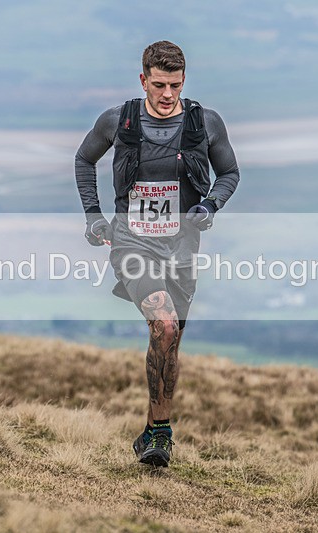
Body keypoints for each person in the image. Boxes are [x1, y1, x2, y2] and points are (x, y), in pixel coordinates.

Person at [74, 40, 240, 467]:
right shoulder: (118, 121)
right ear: (143, 80)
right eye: (160, 85)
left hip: (181, 249)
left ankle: (154, 431)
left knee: (170, 339)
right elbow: (84, 160)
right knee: (164, 325)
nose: (168, 95)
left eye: (176, 86)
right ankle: (163, 433)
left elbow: (229, 173)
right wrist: (93, 217)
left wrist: (210, 205)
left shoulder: (205, 123)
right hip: (132, 243)